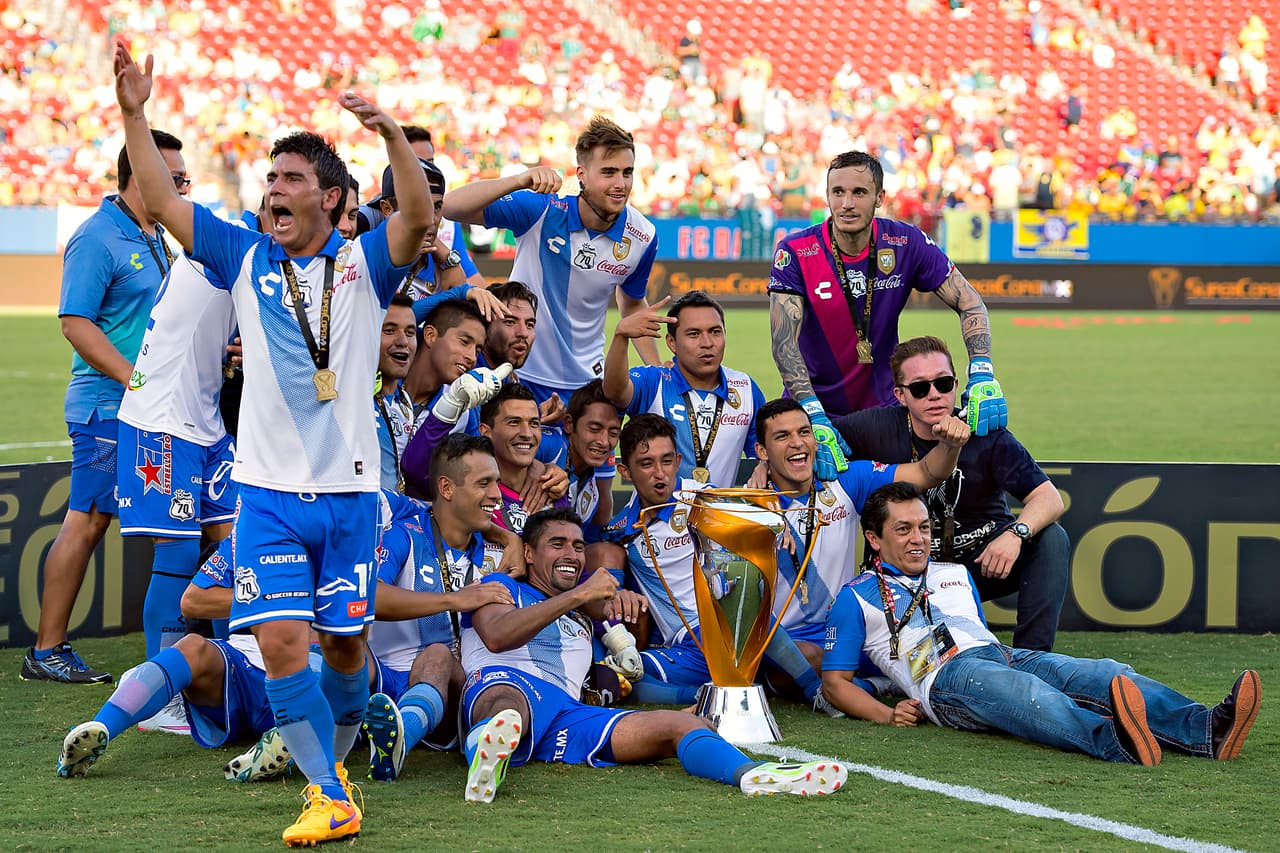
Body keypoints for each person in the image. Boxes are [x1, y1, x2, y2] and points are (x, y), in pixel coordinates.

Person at [112, 41, 433, 845]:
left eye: (290, 181)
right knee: (285, 639)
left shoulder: (363, 264)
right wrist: (135, 112)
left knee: (345, 648)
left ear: (330, 197)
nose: (273, 192)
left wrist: (392, 131)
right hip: (265, 496)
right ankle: (329, 792)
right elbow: (158, 198)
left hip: (352, 497)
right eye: (270, 181)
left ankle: (343, 748)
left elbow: (420, 217)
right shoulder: (243, 254)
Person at [821, 482, 1262, 766]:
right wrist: (886, 713)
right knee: (1029, 694)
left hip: (1000, 655)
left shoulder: (952, 571)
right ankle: (1115, 740)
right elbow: (835, 682)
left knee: (1102, 673)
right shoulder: (855, 597)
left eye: (923, 527)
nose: (918, 539)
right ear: (875, 539)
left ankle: (1207, 729)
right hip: (946, 680)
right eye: (903, 530)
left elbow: (977, 631)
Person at [458, 507, 848, 803]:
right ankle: (486, 755)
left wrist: (685, 701)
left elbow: (620, 676)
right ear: (527, 553)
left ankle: (753, 775)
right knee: (507, 704)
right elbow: (495, 636)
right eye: (556, 544)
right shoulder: (500, 585)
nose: (572, 554)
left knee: (679, 727)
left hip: (567, 714)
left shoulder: (586, 617)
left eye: (578, 546)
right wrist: (577, 596)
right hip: (505, 685)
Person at [21, 127, 189, 685]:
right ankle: (46, 649)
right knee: (88, 521)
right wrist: (134, 378)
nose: (183, 186)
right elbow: (75, 321)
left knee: (166, 522)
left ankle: (181, 647)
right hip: (108, 404)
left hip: (146, 406)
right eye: (174, 177)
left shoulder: (153, 234)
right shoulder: (98, 236)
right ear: (140, 174)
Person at [767, 150, 1006, 483]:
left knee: (893, 524)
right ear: (827, 195)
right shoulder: (795, 251)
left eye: (859, 192)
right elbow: (783, 344)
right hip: (813, 416)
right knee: (817, 527)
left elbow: (969, 301)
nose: (847, 203)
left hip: (885, 414)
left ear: (880, 197)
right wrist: (812, 412)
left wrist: (982, 372)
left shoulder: (906, 242)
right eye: (838, 192)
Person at [590, 415, 839, 713]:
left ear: (678, 459)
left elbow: (759, 510)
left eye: (667, 461)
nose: (660, 473)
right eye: (646, 464)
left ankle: (817, 694)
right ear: (624, 471)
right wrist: (616, 591)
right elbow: (590, 559)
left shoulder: (705, 496)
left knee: (794, 642)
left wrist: (774, 519)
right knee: (617, 673)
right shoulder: (623, 531)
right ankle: (702, 697)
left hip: (735, 625)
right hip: (688, 643)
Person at [834, 336, 1068, 652]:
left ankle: (1032, 657)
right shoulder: (872, 427)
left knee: (1051, 538)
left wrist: (1015, 534)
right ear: (900, 396)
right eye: (920, 388)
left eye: (943, 384)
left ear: (956, 384)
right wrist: (764, 461)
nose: (934, 395)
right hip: (906, 570)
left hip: (980, 562)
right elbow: (807, 439)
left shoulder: (985, 431)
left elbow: (1049, 498)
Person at [442, 116, 662, 408]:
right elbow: (451, 206)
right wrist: (520, 180)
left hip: (589, 383)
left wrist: (657, 367)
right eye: (608, 172)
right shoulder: (541, 210)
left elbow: (632, 302)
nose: (620, 184)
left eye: (627, 172)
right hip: (518, 373)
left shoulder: (643, 235)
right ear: (581, 174)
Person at [752, 397, 967, 678]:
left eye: (804, 432)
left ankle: (876, 685)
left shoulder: (847, 480)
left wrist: (951, 445)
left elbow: (927, 473)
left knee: (938, 653)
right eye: (782, 436)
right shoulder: (750, 504)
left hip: (852, 630)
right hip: (794, 641)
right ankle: (867, 686)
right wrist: (758, 502)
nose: (797, 443)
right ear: (762, 451)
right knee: (805, 658)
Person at [56, 542, 287, 778]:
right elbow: (192, 602)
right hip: (242, 664)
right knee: (192, 646)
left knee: (318, 688)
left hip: (302, 669)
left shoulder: (322, 540)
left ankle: (285, 745)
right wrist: (272, 599)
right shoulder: (244, 538)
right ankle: (94, 733)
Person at [363, 438, 515, 781]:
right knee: (338, 642)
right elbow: (369, 597)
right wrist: (454, 599)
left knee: (439, 655)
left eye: (497, 483)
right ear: (446, 488)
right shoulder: (407, 534)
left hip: (459, 688)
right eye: (484, 484)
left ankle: (402, 733)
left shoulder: (501, 551)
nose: (497, 495)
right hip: (385, 681)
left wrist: (514, 540)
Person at [604, 290, 764, 488]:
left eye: (715, 332)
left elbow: (764, 451)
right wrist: (621, 336)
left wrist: (765, 464)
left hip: (717, 516)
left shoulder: (745, 388)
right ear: (672, 343)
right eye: (694, 334)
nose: (707, 343)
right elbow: (614, 391)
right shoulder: (654, 381)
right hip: (658, 515)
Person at [373, 294, 418, 492]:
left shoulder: (405, 401)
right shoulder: (352, 393)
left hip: (394, 513)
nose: (403, 341)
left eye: (410, 332)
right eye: (389, 330)